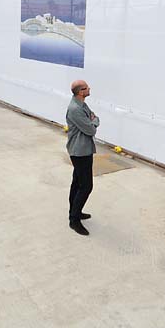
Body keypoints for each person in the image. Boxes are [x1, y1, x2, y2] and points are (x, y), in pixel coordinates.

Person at [66, 79, 99, 237]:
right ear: (81, 91)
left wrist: (93, 121)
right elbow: (91, 129)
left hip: (83, 150)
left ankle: (75, 212)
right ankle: (74, 220)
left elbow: (94, 117)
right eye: (86, 87)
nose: (89, 88)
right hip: (80, 152)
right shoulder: (75, 109)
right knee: (86, 186)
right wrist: (93, 122)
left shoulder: (81, 104)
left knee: (77, 183)